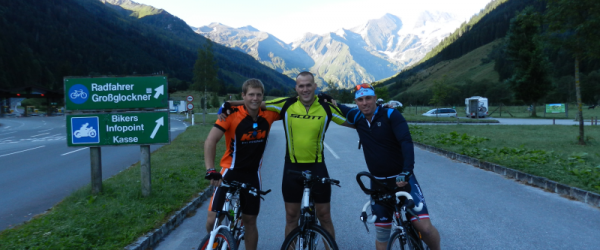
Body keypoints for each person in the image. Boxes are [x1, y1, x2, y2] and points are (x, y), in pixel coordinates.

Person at [220, 71, 351, 240]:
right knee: (291, 218)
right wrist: (229, 104)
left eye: (308, 85)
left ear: (315, 87)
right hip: (292, 168)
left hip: (317, 166)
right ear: (296, 88)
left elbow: (356, 123)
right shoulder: (286, 104)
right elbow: (256, 102)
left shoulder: (326, 107)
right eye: (301, 86)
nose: (305, 89)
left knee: (325, 217)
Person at [336, 83, 441, 250]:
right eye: (360, 100)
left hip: (402, 178)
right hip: (378, 183)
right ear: (356, 102)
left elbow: (406, 142)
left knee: (425, 229)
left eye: (368, 98)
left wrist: (407, 171)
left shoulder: (391, 114)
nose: (365, 103)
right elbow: (340, 107)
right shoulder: (356, 117)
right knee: (382, 234)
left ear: (375, 99)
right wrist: (328, 101)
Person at [204, 79, 280, 250]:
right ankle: (215, 242)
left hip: (252, 175)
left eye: (258, 95)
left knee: (250, 221)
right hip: (229, 171)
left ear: (263, 97)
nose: (255, 98)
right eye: (250, 94)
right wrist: (211, 170)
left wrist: (229, 102)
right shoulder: (230, 114)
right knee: (212, 220)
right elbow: (210, 140)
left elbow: (289, 103)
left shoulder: (269, 114)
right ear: (243, 95)